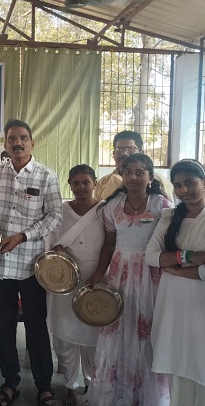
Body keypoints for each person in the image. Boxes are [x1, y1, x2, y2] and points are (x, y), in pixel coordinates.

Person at [0, 119, 62, 406]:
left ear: (32, 143)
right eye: (12, 138)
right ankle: (10, 383)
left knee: (36, 326)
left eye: (23, 137)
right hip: (0, 265)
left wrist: (23, 236)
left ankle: (44, 386)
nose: (18, 142)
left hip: (31, 265)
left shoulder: (46, 175)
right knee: (6, 327)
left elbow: (54, 216)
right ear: (5, 144)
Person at [85, 153, 172, 406]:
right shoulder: (112, 206)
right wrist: (98, 274)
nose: (133, 177)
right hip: (119, 273)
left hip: (151, 274)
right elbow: (109, 244)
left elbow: (169, 244)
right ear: (122, 176)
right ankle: (117, 393)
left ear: (150, 177)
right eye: (128, 172)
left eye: (139, 172)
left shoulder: (162, 205)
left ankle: (146, 396)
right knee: (118, 328)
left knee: (146, 330)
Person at [145, 159, 205, 406]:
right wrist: (190, 257)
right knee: (178, 368)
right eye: (178, 185)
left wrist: (177, 270)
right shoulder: (170, 216)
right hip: (172, 303)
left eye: (190, 183)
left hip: (200, 305)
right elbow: (151, 256)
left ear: (204, 183)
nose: (184, 190)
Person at [48, 165, 105, 406]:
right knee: (65, 337)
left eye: (86, 182)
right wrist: (57, 252)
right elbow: (51, 243)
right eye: (76, 183)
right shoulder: (60, 211)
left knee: (95, 334)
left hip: (96, 278)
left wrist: (100, 273)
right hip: (66, 281)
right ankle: (70, 385)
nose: (81, 187)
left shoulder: (104, 210)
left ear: (94, 183)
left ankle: (92, 384)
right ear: (69, 185)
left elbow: (111, 243)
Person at [94, 130, 174, 202]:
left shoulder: (159, 180)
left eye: (130, 149)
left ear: (141, 152)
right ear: (113, 153)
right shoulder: (103, 182)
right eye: (119, 149)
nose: (124, 153)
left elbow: (168, 210)